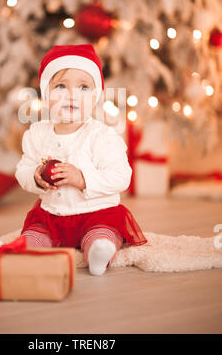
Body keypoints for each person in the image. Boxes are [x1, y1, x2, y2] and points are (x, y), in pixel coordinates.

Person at [15, 43, 147, 276]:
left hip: (96, 212)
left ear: (95, 96)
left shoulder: (102, 136)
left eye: (83, 87)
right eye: (61, 87)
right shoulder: (37, 134)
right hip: (52, 214)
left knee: (102, 233)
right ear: (46, 94)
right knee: (35, 233)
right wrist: (35, 176)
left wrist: (83, 178)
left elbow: (121, 177)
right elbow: (23, 169)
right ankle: (25, 249)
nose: (72, 95)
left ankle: (99, 252)